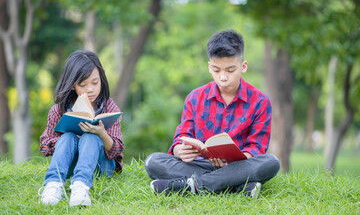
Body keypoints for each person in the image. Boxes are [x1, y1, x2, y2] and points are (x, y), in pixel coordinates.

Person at [145, 30, 280, 198]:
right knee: (154, 162)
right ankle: (235, 186)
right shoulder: (195, 97)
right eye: (216, 70)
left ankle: (192, 186)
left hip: (238, 167)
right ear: (210, 67)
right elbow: (183, 135)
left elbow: (257, 147)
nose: (223, 77)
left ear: (243, 66)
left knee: (271, 162)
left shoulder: (260, 101)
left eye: (230, 70)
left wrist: (233, 163)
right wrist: (180, 150)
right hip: (199, 164)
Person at [38, 50, 124, 206]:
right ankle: (53, 185)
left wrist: (102, 134)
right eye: (82, 85)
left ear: (102, 80)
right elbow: (44, 145)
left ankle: (81, 187)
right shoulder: (59, 109)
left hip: (101, 168)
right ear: (72, 85)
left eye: (95, 82)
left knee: (91, 137)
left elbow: (117, 150)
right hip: (70, 166)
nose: (90, 89)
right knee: (68, 137)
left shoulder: (110, 107)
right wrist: (71, 140)